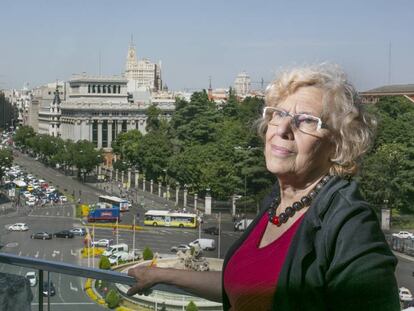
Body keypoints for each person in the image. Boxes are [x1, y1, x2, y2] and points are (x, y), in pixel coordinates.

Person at [127, 64, 400, 310]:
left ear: (338, 144)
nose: (283, 128)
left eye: (306, 120)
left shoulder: (351, 223)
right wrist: (161, 274)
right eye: (278, 114)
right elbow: (247, 283)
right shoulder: (277, 203)